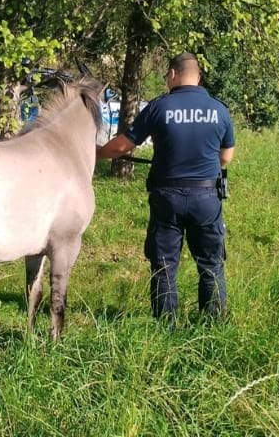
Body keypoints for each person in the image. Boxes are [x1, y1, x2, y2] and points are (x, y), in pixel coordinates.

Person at [96, 53, 235, 321]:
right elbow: (226, 157)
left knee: (164, 266)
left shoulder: (160, 107)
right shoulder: (219, 109)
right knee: (211, 265)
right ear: (199, 77)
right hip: (207, 198)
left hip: (167, 198)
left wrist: (96, 154)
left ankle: (166, 327)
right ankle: (214, 326)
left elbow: (124, 145)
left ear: (172, 74)